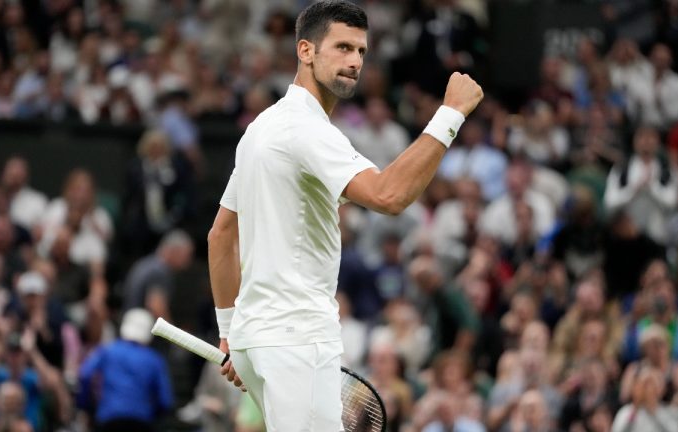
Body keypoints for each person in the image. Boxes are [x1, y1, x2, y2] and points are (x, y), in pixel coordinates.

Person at [206, 1, 483, 430]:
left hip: (256, 339)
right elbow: (390, 195)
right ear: (306, 51)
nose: (354, 61)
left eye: (361, 51)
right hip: (297, 338)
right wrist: (450, 115)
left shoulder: (261, 128)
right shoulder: (307, 130)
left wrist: (230, 333)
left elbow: (221, 235)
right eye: (342, 47)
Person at [77, 308, 173, 432]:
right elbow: (165, 400)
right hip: (141, 422)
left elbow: (85, 374)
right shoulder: (154, 359)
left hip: (109, 419)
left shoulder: (108, 350)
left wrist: (86, 406)